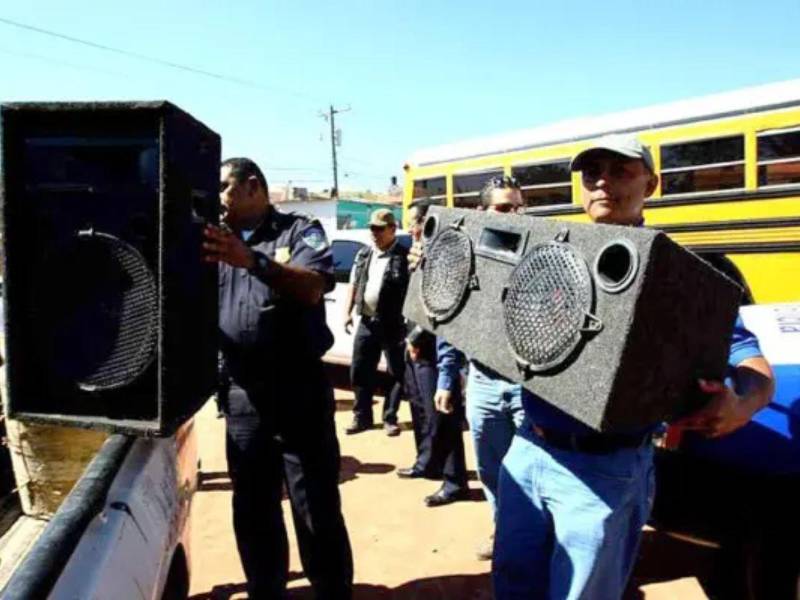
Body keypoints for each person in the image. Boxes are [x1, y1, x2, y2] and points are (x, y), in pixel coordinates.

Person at [492, 134, 775, 599]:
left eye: (620, 170)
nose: (603, 182)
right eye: (592, 173)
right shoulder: (550, 256)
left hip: (606, 471)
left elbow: (751, 362)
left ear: (652, 183)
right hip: (528, 450)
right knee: (514, 584)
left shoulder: (684, 275)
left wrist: (742, 404)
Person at [204, 157, 352, 600]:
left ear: (252, 187)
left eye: (224, 189)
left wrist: (252, 260)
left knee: (315, 506)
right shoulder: (213, 240)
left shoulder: (298, 230)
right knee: (252, 506)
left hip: (298, 390)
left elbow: (311, 286)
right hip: (243, 394)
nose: (218, 200)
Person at [408, 176, 527, 558]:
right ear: (482, 213)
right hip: (484, 385)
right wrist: (446, 378)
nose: (515, 215)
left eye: (519, 207)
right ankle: (501, 530)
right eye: (504, 208)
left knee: (531, 472)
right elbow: (451, 321)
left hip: (528, 387)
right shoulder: (464, 257)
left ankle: (532, 540)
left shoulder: (538, 254)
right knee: (491, 470)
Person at [397, 198, 469, 506]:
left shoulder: (445, 254)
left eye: (414, 222)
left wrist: (416, 336)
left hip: (433, 348)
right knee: (420, 409)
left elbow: (440, 305)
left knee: (443, 416)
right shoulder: (418, 251)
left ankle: (454, 481)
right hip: (413, 345)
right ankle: (426, 462)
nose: (410, 228)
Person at [343, 208, 409, 436]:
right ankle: (361, 416)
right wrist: (347, 312)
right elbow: (354, 284)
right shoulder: (363, 255)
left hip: (393, 323)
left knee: (395, 372)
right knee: (359, 370)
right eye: (372, 228)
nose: (375, 233)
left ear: (393, 229)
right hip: (367, 321)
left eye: (380, 229)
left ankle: (390, 417)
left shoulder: (404, 257)